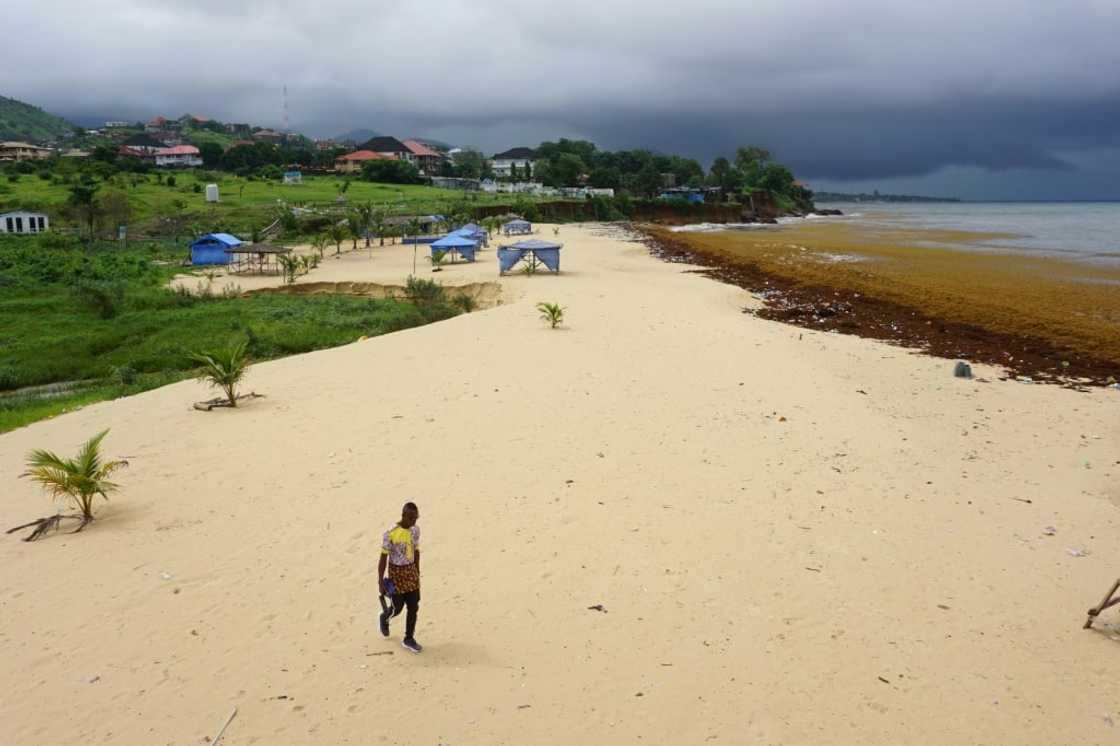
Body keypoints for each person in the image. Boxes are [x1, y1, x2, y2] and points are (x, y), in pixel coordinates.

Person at [378, 502, 422, 653]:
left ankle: (409, 638)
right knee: (397, 608)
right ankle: (385, 617)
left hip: (411, 573)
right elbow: (383, 558)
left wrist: (417, 572)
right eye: (411, 518)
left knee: (414, 606)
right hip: (396, 575)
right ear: (403, 516)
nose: (413, 522)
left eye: (415, 519)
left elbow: (416, 551)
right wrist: (380, 582)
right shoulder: (390, 533)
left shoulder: (415, 531)